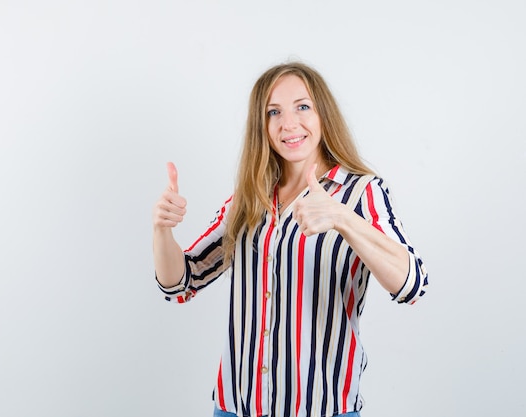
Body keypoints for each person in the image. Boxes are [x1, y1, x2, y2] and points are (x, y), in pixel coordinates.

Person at [152, 61, 428, 417]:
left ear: (322, 115)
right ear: (262, 126)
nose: (289, 123)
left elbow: (412, 284)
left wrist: (342, 218)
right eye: (274, 112)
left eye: (302, 106)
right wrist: (162, 230)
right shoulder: (249, 197)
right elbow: (182, 282)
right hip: (237, 408)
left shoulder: (361, 192)